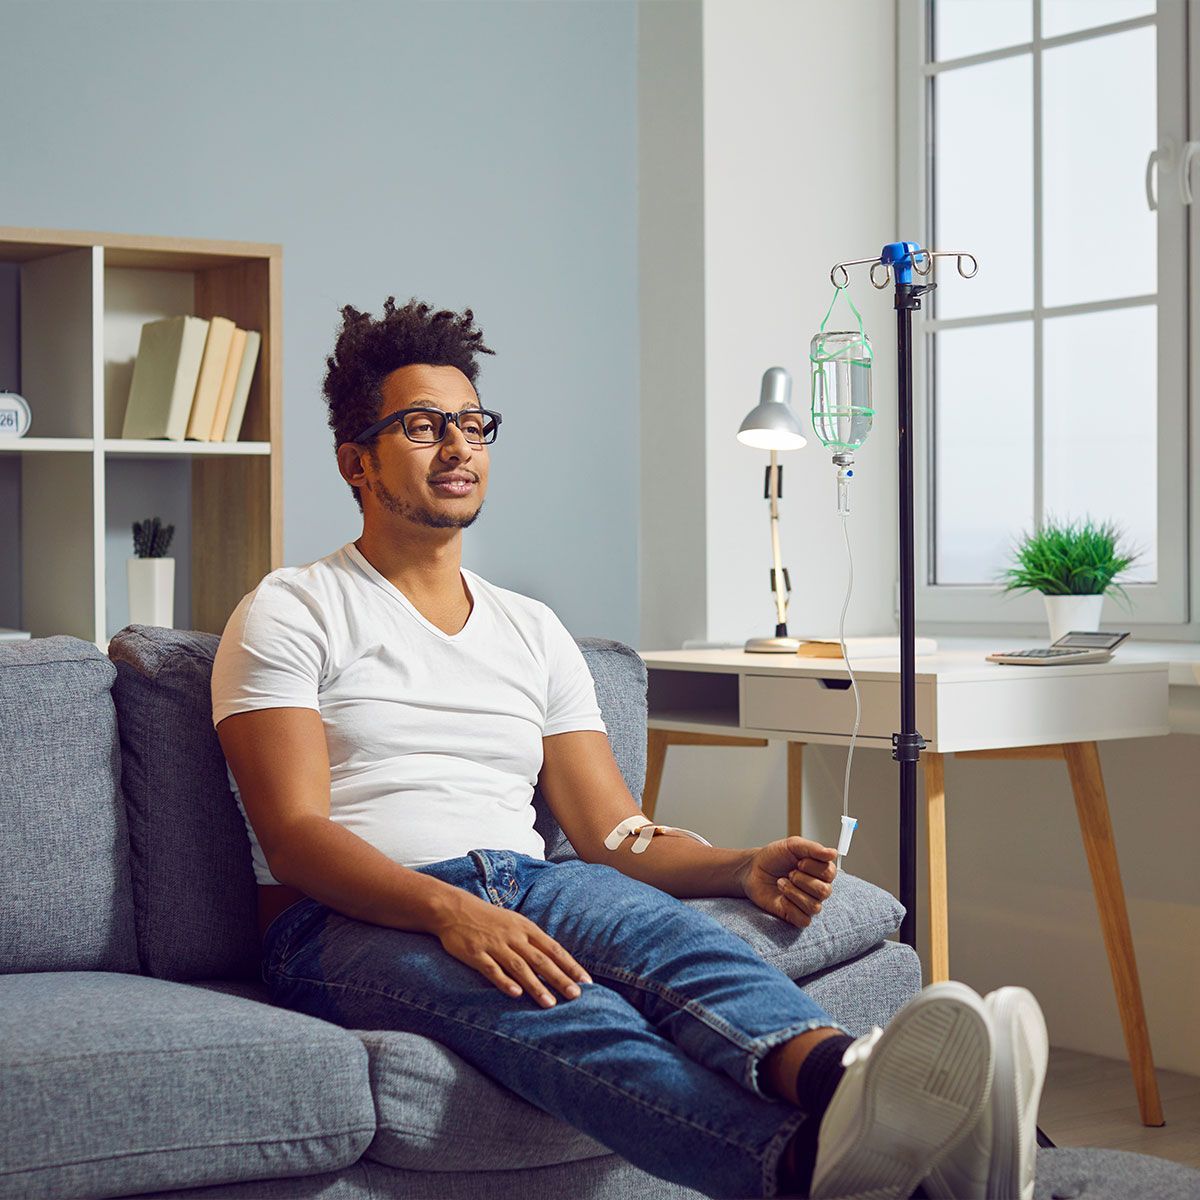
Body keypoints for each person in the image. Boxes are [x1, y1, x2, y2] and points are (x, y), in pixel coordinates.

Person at [211, 298, 1048, 1199]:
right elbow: (295, 835)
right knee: (569, 1009)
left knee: (681, 948)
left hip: (530, 882)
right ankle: (806, 1168)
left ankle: (864, 1088)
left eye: (471, 423)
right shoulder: (293, 608)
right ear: (357, 460)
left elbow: (612, 833)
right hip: (346, 921)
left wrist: (739, 866)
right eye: (422, 426)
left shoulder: (532, 630)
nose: (457, 447)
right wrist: (446, 911)